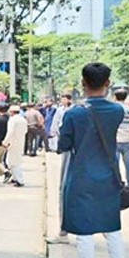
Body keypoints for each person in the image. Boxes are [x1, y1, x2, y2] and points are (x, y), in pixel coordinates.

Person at [58, 63, 128, 258]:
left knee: (84, 231)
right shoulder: (117, 111)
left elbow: (63, 145)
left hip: (82, 177)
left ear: (83, 83)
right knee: (113, 229)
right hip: (109, 177)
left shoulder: (74, 114)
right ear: (108, 83)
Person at [47, 94, 75, 244]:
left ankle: (63, 232)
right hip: (100, 163)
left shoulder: (73, 113)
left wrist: (59, 146)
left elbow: (64, 137)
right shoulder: (115, 112)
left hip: (73, 156)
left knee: (65, 191)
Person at [113, 86, 129, 189]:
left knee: (115, 165)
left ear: (115, 96)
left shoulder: (112, 109)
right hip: (127, 139)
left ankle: (118, 184)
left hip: (115, 140)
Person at [3, 104, 28, 187]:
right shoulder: (23, 120)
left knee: (12, 162)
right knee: (15, 161)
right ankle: (15, 178)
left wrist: (5, 142)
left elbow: (10, 132)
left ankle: (19, 180)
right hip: (20, 141)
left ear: (12, 112)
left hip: (13, 142)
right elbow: (25, 131)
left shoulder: (12, 120)